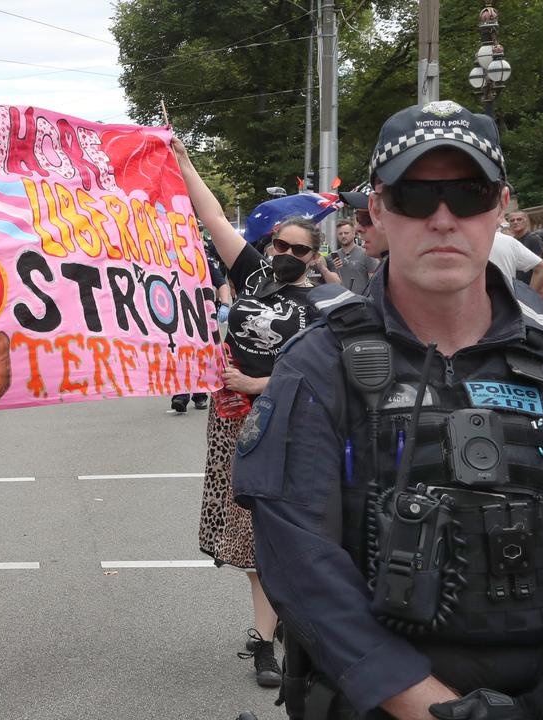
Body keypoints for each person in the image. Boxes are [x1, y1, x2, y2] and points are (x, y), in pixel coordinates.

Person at [235, 100, 543, 720]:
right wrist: (429, 708)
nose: (444, 219)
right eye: (416, 196)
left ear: (501, 206)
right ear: (377, 209)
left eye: (468, 193)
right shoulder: (317, 366)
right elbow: (300, 566)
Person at [172, 137, 329, 688]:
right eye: (278, 245)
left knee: (281, 531)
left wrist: (259, 382)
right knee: (247, 534)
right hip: (235, 421)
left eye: (298, 250)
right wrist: (184, 162)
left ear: (315, 256)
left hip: (291, 426)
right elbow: (211, 213)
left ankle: (271, 636)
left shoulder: (327, 305)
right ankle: (266, 635)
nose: (285, 255)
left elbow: (326, 378)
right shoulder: (254, 275)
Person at [172, 260, 232, 413]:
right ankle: (181, 394)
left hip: (202, 315)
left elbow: (221, 284)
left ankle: (200, 395)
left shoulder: (203, 261)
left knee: (200, 354)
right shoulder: (170, 260)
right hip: (178, 314)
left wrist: (225, 304)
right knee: (181, 353)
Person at [489, 229, 543, 296]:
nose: (515, 222)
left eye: (519, 219)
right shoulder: (510, 241)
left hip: (513, 292)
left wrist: (529, 297)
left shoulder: (531, 240)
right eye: (512, 220)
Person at [330, 218, 381, 294]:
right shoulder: (331, 257)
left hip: (361, 302)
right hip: (339, 302)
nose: (343, 236)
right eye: (340, 234)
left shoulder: (366, 254)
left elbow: (374, 281)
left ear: (354, 233)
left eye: (346, 233)